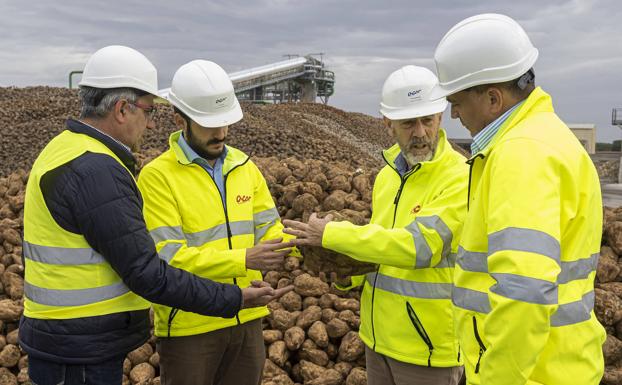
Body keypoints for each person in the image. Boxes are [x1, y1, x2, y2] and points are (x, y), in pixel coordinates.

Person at [19, 46, 289, 385]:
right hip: (81, 347)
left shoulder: (67, 150)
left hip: (77, 341)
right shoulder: (97, 171)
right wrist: (235, 293)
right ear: (121, 109)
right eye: (147, 110)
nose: (149, 122)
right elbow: (150, 271)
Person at [429, 13, 606, 385]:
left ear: (493, 98)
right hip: (558, 364)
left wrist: (495, 378)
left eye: (456, 102)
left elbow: (524, 292)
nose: (454, 114)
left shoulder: (521, 154)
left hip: (528, 373)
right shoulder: (550, 138)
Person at [283, 65, 467, 385]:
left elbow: (419, 247)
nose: (420, 132)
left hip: (428, 348)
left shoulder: (459, 176)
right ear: (388, 123)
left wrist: (332, 234)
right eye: (409, 123)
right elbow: (379, 249)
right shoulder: (387, 176)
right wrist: (344, 273)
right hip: (377, 338)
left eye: (428, 120)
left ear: (441, 115)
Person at [137, 59, 297, 385]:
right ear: (179, 117)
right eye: (210, 124)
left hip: (248, 316)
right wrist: (244, 258)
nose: (221, 133)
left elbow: (270, 228)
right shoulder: (157, 177)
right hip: (191, 326)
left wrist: (306, 249)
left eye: (225, 123)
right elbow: (168, 258)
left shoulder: (244, 166)